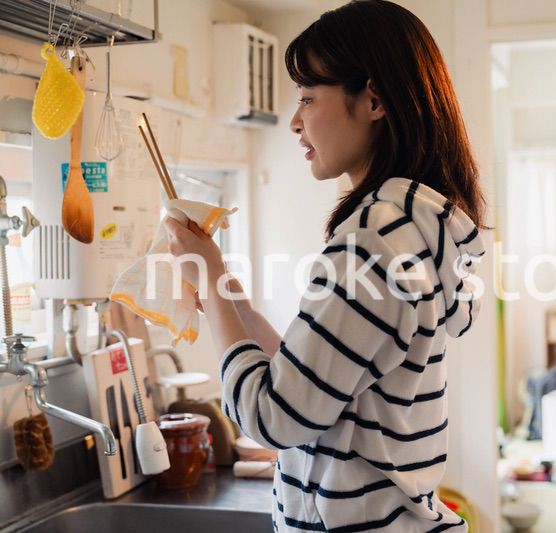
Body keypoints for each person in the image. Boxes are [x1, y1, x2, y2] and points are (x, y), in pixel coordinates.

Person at [164, 1, 488, 530]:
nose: (294, 121)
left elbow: (273, 418)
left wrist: (213, 287)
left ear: (374, 100)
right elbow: (312, 383)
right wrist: (233, 299)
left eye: (308, 97)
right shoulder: (409, 224)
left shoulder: (375, 239)